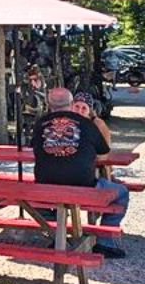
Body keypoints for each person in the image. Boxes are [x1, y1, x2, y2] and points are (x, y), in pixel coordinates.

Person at [30, 87, 128, 258]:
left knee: (30, 199)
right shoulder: (87, 124)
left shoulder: (40, 124)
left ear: (49, 105)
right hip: (83, 186)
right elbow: (103, 151)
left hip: (46, 187)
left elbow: (35, 148)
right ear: (71, 104)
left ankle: (56, 235)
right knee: (122, 192)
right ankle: (105, 242)